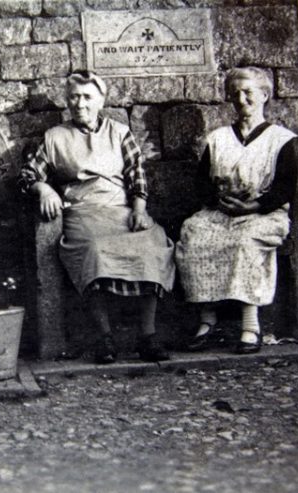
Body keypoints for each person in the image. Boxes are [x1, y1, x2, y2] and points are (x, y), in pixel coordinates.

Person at [20, 70, 175, 364]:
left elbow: (136, 173)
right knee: (93, 251)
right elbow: (27, 175)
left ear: (100, 100)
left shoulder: (119, 132)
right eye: (74, 97)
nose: (80, 104)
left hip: (122, 210)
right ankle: (104, 338)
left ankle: (147, 335)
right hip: (82, 212)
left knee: (152, 246)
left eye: (87, 97)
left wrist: (139, 210)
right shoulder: (55, 138)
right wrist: (43, 189)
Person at [175, 67, 298, 354]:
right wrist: (220, 202)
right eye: (235, 94)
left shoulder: (280, 139)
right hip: (222, 212)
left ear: (264, 96)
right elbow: (202, 183)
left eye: (248, 93)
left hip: (264, 213)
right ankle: (207, 320)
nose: (241, 99)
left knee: (245, 242)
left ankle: (250, 325)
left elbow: (286, 186)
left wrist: (254, 205)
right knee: (194, 235)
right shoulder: (218, 138)